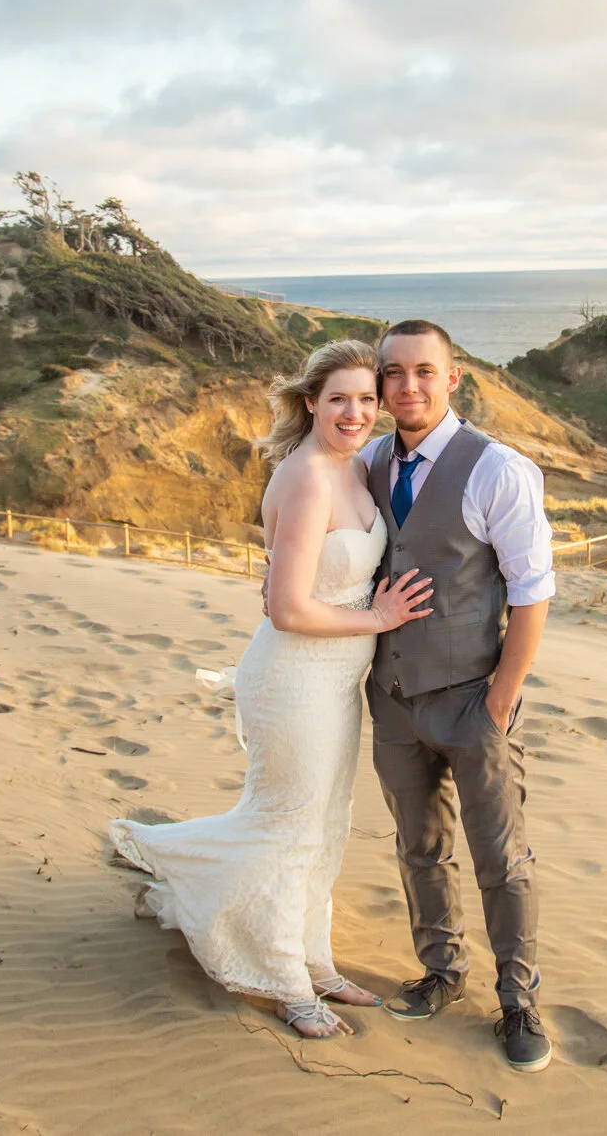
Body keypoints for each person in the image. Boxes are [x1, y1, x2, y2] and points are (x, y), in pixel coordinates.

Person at [108, 340, 434, 1038]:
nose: (356, 411)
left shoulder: (357, 469)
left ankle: (314, 957)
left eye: (367, 399)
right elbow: (285, 607)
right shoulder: (309, 477)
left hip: (338, 682)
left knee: (324, 824)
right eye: (339, 398)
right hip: (293, 678)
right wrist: (376, 615)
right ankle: (285, 979)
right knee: (288, 824)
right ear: (310, 401)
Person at [364, 319, 556, 1073]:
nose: (407, 385)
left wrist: (501, 699)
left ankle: (519, 1002)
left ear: (453, 378)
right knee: (420, 849)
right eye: (393, 373)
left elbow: (533, 592)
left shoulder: (497, 469)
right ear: (380, 384)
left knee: (501, 859)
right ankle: (442, 970)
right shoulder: (373, 459)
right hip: (395, 699)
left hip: (475, 700)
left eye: (423, 371)